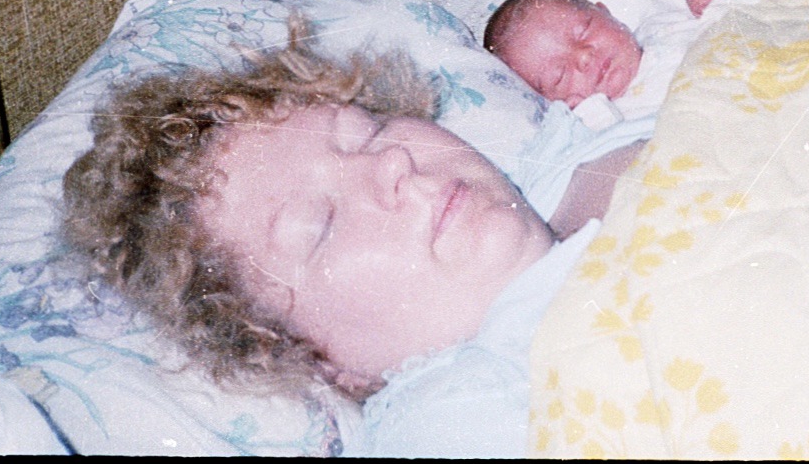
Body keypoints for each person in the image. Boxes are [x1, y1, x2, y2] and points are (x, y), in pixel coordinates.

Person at [60, 26, 644, 420]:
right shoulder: (461, 412)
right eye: (321, 225)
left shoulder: (573, 151)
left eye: (369, 132)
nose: (391, 164)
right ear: (318, 360)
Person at [483, 0, 731, 128]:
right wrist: (584, 112)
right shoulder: (612, 117)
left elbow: (741, 15)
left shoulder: (661, 24)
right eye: (560, 75)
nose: (584, 57)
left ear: (605, 12)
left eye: (584, 31)